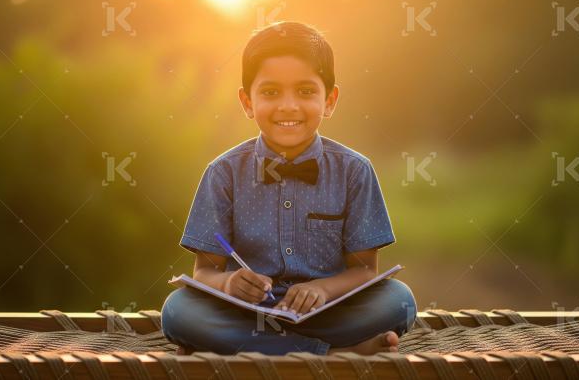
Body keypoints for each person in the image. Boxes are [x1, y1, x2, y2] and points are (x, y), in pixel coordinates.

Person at [161, 21, 416, 355]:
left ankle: (258, 348)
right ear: (247, 102)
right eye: (270, 92)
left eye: (306, 91)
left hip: (326, 312)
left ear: (330, 100)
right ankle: (331, 353)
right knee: (179, 311)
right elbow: (205, 271)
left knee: (399, 301)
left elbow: (365, 270)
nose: (288, 106)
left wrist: (323, 290)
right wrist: (229, 283)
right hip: (246, 315)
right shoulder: (223, 173)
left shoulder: (355, 171)